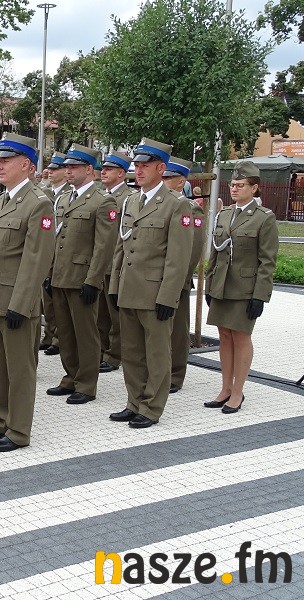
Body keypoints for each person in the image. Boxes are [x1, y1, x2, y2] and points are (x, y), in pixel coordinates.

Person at [0, 134, 54, 451]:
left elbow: (36, 260)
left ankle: (19, 430)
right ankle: (2, 418)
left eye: (6, 160)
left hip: (16, 302)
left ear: (27, 165)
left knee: (19, 369)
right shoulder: (0, 201)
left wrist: (20, 304)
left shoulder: (38, 203)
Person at [108, 138, 193, 428]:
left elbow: (178, 258)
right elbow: (121, 247)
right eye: (137, 165)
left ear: (160, 168)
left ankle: (151, 407)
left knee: (156, 353)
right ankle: (134, 402)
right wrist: (114, 286)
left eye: (145, 165)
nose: (139, 170)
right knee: (131, 352)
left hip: (155, 293)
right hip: (129, 289)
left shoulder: (176, 205)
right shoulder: (131, 201)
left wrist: (168, 297)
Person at [45, 144, 117, 405]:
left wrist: (93, 280)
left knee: (85, 333)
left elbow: (104, 246)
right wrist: (49, 272)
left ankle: (86, 383)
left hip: (82, 277)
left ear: (89, 169)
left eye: (74, 167)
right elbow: (56, 239)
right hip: (61, 275)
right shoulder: (64, 199)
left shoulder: (102, 201)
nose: (68, 171)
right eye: (67, 167)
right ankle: (71, 376)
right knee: (65, 331)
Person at [205, 160, 278, 413]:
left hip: (245, 288)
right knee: (224, 336)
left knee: (241, 336)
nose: (234, 189)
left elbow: (267, 261)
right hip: (221, 286)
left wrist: (260, 296)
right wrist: (209, 285)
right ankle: (225, 388)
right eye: (232, 185)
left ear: (254, 188)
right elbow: (215, 253)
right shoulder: (224, 214)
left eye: (240, 185)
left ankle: (238, 391)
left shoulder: (264, 218)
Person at [162, 157, 205, 393]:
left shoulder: (190, 208)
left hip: (177, 281)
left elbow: (194, 248)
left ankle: (176, 374)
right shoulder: (159, 205)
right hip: (156, 279)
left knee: (177, 329)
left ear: (181, 182)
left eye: (168, 178)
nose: (163, 181)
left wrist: (181, 279)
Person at [97, 151, 134, 373]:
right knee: (100, 314)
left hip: (116, 264)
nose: (103, 172)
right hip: (101, 263)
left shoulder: (128, 198)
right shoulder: (103, 196)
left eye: (109, 169)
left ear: (121, 173)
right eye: (103, 168)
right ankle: (102, 351)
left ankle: (114, 356)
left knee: (116, 315)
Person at [39, 151, 71, 356]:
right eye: (49, 168)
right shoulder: (46, 193)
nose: (50, 171)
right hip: (49, 251)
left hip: (64, 255)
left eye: (55, 168)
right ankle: (49, 335)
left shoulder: (69, 193)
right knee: (48, 300)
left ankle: (59, 339)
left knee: (60, 302)